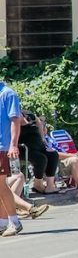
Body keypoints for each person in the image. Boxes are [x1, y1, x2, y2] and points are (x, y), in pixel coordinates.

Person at [0, 79, 24, 236]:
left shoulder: (8, 94)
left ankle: (14, 222)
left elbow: (15, 120)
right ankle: (2, 223)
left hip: (2, 146)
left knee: (1, 186)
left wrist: (13, 145)